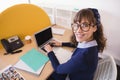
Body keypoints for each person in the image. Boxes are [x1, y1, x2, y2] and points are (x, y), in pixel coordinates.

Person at [44, 8, 106, 80]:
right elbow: (79, 44)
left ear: (94, 28)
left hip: (72, 77)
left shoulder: (82, 57)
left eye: (85, 25)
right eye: (76, 25)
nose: (78, 30)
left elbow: (58, 69)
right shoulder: (93, 42)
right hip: (84, 74)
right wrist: (61, 43)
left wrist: (50, 52)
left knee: (49, 74)